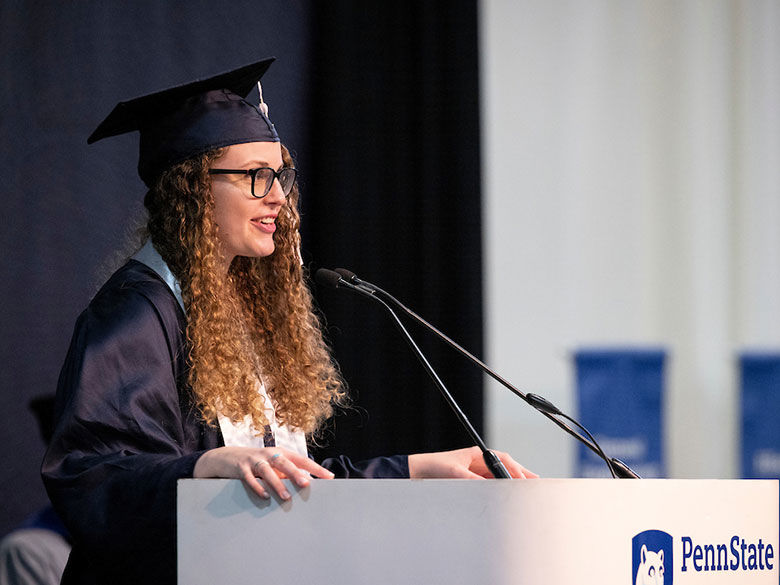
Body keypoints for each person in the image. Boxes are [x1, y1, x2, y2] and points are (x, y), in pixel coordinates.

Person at [41, 58, 535, 585]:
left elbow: (286, 484)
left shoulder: (233, 308)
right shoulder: (138, 312)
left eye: (280, 175)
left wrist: (419, 469)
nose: (278, 195)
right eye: (255, 176)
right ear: (192, 190)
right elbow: (89, 475)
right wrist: (203, 468)